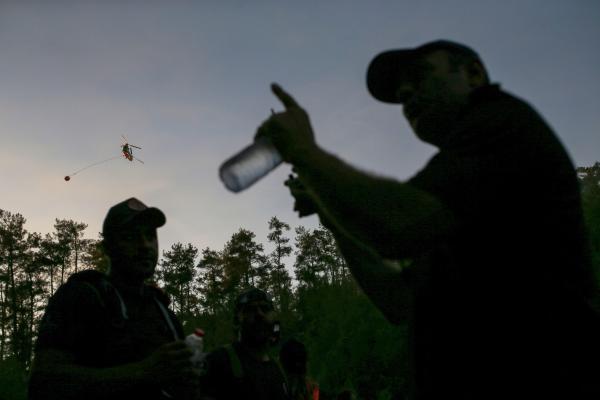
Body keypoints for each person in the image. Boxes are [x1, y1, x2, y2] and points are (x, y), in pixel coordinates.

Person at [256, 40, 600, 398]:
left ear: (473, 73)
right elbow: (399, 299)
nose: (405, 92)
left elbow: (399, 225)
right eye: (402, 91)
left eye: (419, 76)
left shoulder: (502, 122)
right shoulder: (462, 193)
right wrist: (329, 214)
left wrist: (304, 152)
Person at [28, 197, 196, 400]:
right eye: (131, 237)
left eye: (150, 236)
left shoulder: (163, 311)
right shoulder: (83, 296)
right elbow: (44, 382)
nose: (145, 245)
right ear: (107, 248)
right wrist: (142, 371)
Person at [199, 288, 289, 400]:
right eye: (250, 309)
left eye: (265, 309)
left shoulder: (278, 368)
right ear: (237, 320)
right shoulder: (220, 361)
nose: (259, 314)